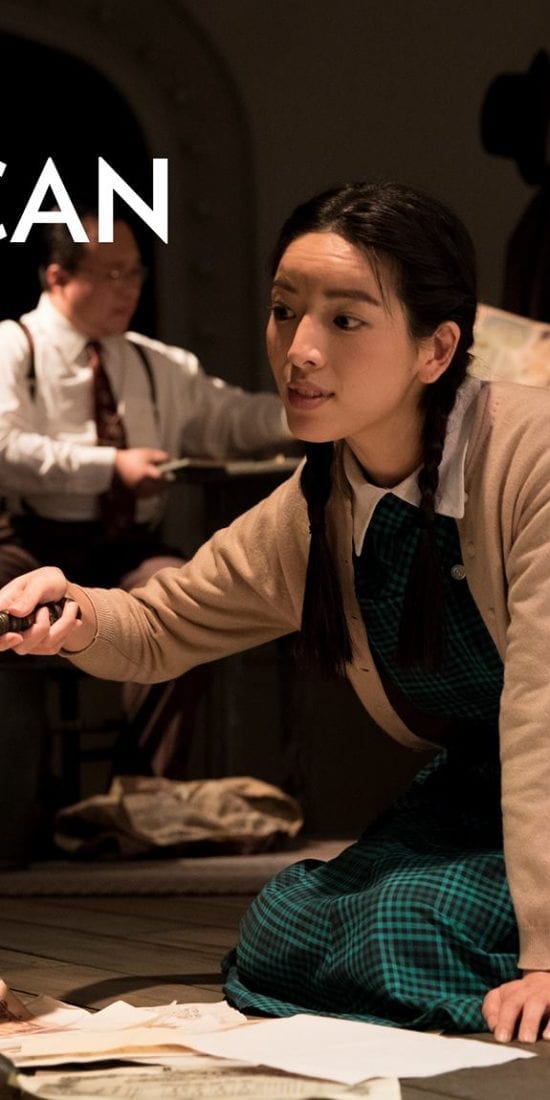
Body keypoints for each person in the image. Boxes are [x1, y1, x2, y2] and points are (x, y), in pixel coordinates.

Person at [0, 179, 548, 1044]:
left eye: (345, 319)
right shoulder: (322, 497)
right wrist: (76, 613)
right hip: (487, 794)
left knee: (398, 925)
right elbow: (168, 621)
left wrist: (546, 954)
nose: (300, 348)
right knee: (285, 926)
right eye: (285, 311)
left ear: (436, 348)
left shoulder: (529, 457)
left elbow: (542, 710)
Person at [0, 210, 291, 777]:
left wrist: (314, 411)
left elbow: (234, 418)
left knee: (186, 605)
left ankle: (141, 793)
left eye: (134, 273)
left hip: (126, 545)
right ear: (58, 277)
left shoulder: (155, 363)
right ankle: (18, 800)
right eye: (111, 274)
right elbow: (5, 448)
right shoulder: (14, 346)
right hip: (34, 537)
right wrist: (110, 467)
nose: (128, 289)